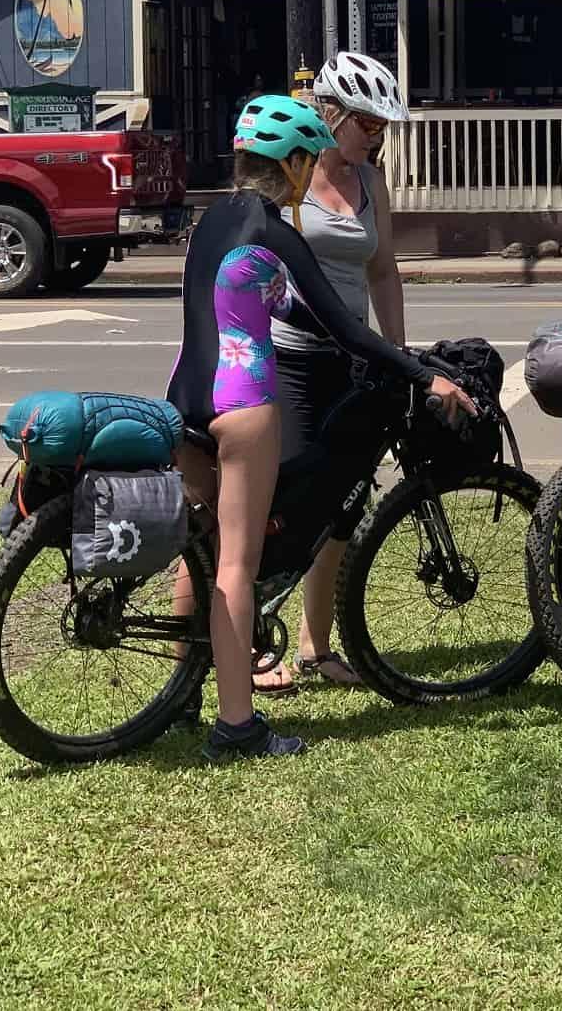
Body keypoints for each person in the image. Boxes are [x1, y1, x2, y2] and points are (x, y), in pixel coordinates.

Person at [166, 95, 474, 763]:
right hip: (242, 401)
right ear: (296, 163)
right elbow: (340, 321)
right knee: (237, 565)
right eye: (306, 163)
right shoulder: (277, 232)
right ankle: (238, 727)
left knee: (201, 540)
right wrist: (423, 375)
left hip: (185, 395)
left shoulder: (209, 220)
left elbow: (279, 312)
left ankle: (178, 695)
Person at [255, 52, 411, 694]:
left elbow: (382, 270)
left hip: (351, 360)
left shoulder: (371, 184)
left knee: (344, 503)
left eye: (382, 127)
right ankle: (256, 639)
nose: (376, 136)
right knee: (283, 501)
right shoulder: (289, 174)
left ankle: (317, 647)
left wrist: (399, 357)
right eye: (369, 124)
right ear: (332, 114)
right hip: (290, 356)